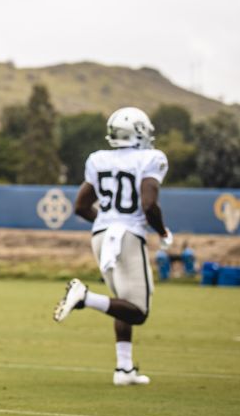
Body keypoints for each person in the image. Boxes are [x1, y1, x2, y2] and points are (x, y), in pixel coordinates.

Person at [52, 107, 173, 386]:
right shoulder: (150, 158)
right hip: (128, 235)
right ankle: (84, 298)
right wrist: (162, 231)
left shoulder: (98, 159)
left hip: (101, 236)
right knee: (137, 311)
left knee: (121, 303)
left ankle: (124, 369)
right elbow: (149, 204)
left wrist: (107, 223)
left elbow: (81, 207)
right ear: (139, 132)